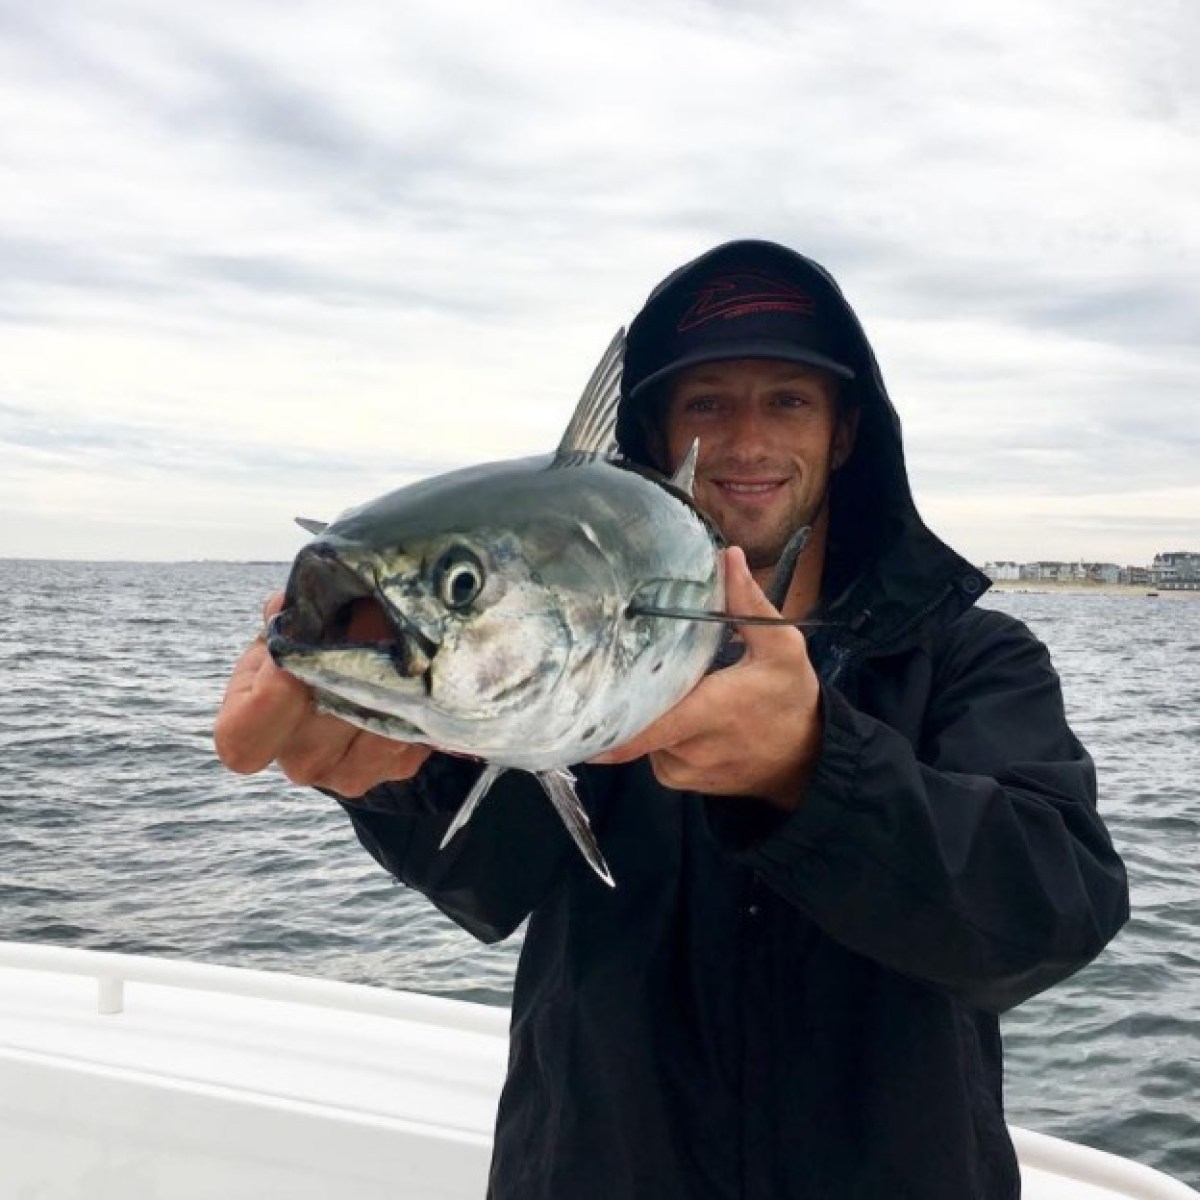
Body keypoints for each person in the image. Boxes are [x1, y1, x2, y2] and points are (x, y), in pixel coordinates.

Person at [215, 239, 1130, 1199]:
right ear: (656, 435)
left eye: (787, 399)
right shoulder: (572, 649)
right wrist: (379, 771)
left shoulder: (968, 657)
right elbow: (480, 878)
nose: (745, 443)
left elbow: (1045, 920)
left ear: (845, 433)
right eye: (707, 403)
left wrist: (814, 766)